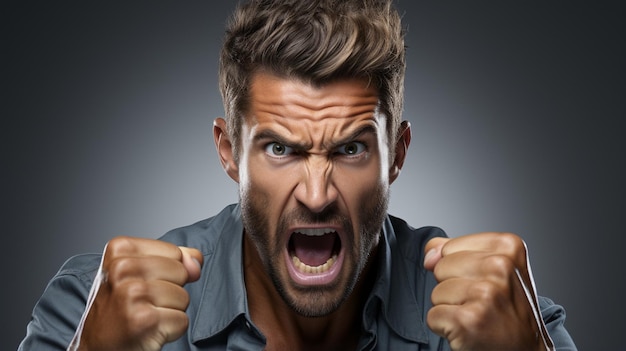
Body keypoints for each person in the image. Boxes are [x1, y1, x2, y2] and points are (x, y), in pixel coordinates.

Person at [19, 0, 576, 350]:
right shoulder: (95, 303)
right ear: (229, 152)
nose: (315, 195)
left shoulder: (503, 314)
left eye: (352, 148)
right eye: (281, 148)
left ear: (397, 155)